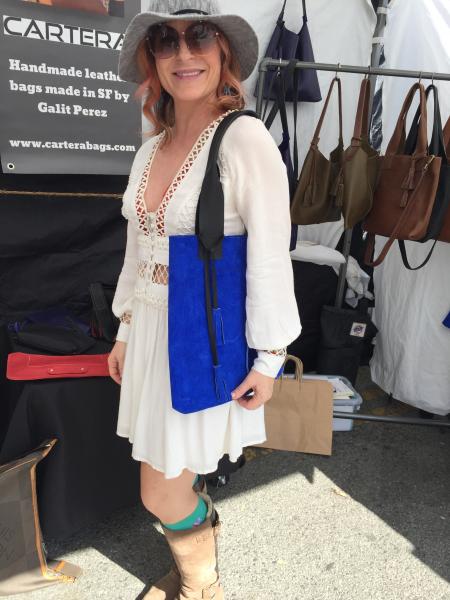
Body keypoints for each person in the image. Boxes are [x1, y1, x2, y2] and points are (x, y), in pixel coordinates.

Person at [108, 1, 301, 598]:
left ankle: (203, 574)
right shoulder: (149, 150)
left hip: (200, 336)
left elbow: (271, 252)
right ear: (153, 61)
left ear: (223, 56)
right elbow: (139, 250)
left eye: (200, 38)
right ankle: (199, 566)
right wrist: (123, 328)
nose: (184, 53)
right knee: (162, 478)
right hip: (150, 334)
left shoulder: (244, 138)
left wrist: (270, 358)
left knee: (158, 489)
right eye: (166, 42)